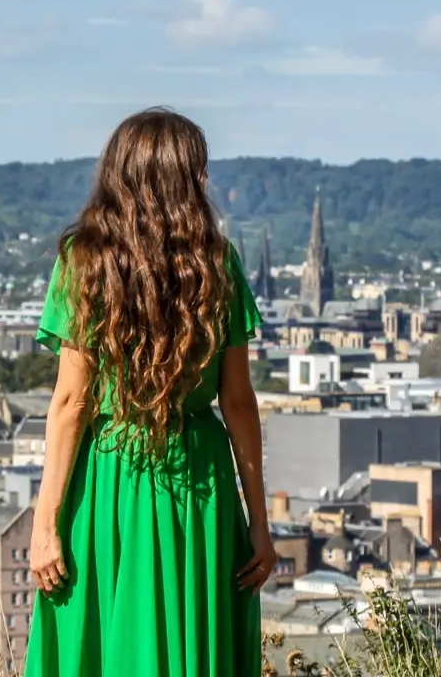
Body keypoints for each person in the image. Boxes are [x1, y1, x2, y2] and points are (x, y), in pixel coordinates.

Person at [24, 107, 280, 676]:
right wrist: (259, 524)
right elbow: (238, 403)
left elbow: (71, 403)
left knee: (102, 640)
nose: (206, 181)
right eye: (199, 170)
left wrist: (45, 527)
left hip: (109, 476)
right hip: (199, 481)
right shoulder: (217, 265)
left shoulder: (84, 264)